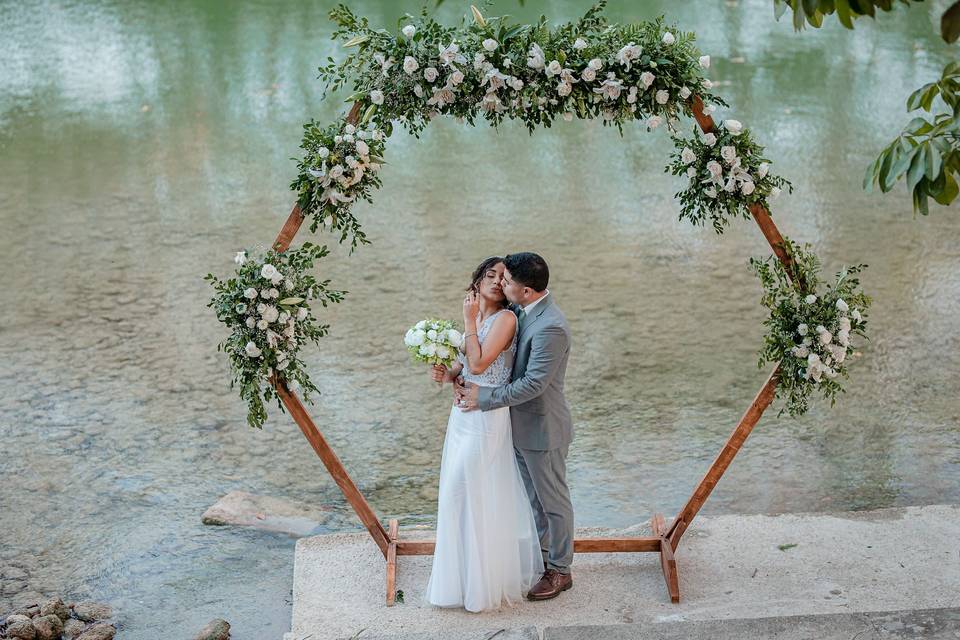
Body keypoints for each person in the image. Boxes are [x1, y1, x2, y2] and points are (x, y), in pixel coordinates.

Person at [424, 256, 543, 612]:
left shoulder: (506, 319)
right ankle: (458, 584)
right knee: (454, 497)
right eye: (489, 275)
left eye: (502, 277)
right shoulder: (479, 318)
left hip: (487, 417)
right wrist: (448, 374)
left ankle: (480, 588)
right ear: (477, 281)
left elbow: (480, 364)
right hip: (462, 416)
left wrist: (466, 324)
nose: (495, 281)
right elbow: (466, 365)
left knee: (467, 494)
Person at [455, 251, 575, 601]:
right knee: (536, 501)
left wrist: (486, 399)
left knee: (553, 501)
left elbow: (535, 384)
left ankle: (561, 571)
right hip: (517, 425)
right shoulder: (525, 311)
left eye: (507, 281)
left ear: (526, 291)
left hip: (543, 428)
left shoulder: (550, 326)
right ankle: (544, 557)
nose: (501, 283)